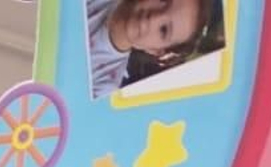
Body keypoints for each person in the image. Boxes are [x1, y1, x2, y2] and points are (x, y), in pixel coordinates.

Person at [84, 0, 225, 99]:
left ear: (155, 50)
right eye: (163, 0)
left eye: (163, 30)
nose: (153, 18)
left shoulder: (103, 86)